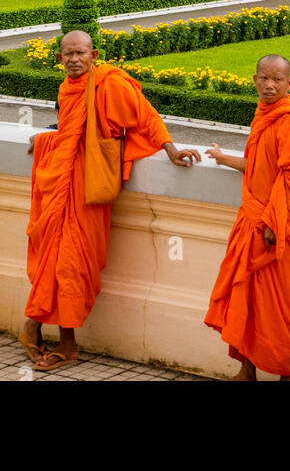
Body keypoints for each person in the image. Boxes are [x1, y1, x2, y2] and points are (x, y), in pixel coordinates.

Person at [21, 30, 201, 371]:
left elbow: (145, 116)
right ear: (59, 59)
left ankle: (43, 332)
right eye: (68, 54)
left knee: (73, 264)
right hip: (64, 184)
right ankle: (56, 338)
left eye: (81, 53)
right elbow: (73, 130)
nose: (74, 59)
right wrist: (47, 137)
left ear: (94, 54)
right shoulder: (65, 89)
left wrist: (171, 149)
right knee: (57, 261)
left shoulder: (109, 84)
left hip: (90, 189)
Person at [204, 54, 290, 381]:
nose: (269, 85)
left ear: (289, 84)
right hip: (256, 219)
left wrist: (274, 223)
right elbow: (258, 165)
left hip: (283, 224)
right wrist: (224, 158)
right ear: (254, 79)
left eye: (277, 80)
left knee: (282, 305)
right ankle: (246, 371)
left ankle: (286, 375)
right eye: (264, 78)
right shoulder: (265, 114)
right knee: (248, 299)